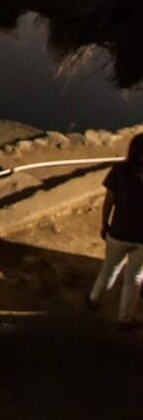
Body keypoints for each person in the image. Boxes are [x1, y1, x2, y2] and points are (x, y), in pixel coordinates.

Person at [88, 133, 143, 329]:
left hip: (118, 231)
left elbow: (109, 201)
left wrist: (104, 225)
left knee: (109, 268)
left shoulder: (120, 170)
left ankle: (94, 300)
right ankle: (124, 319)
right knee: (134, 279)